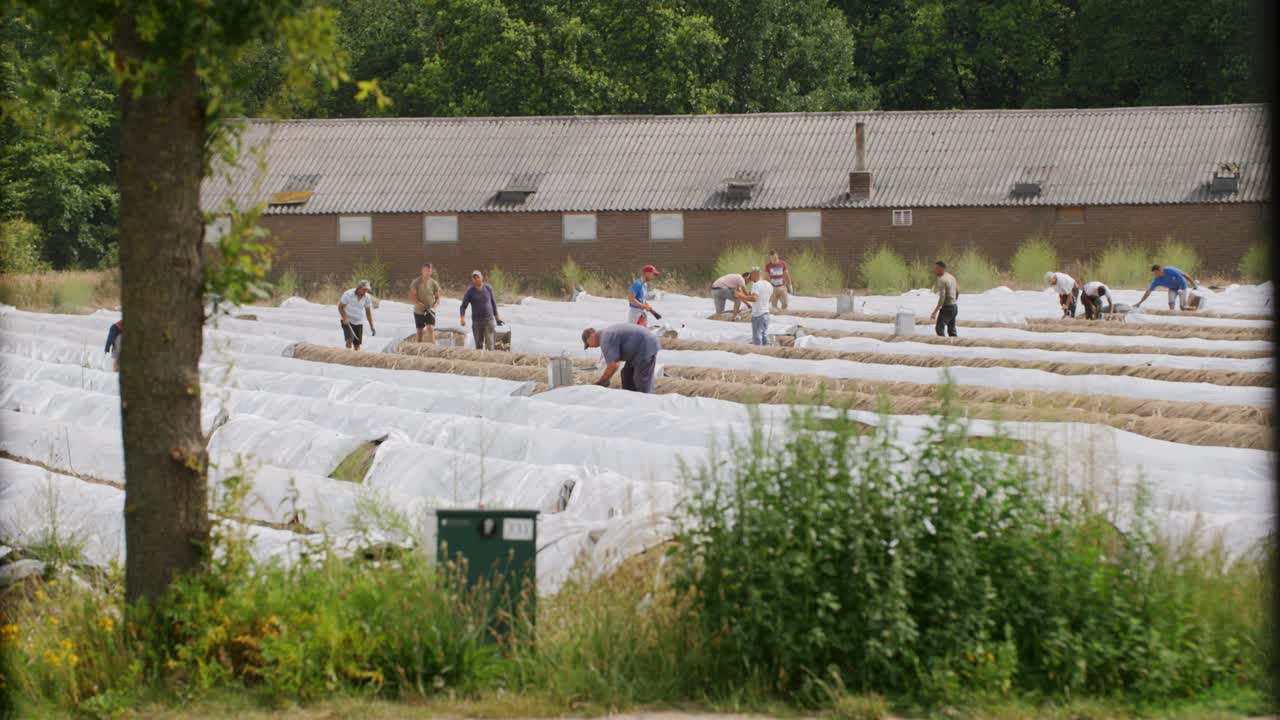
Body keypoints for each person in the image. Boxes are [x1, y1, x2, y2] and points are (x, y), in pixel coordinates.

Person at [582, 323, 661, 393]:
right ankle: (631, 399)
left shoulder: (605, 338)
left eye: (588, 344)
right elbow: (616, 361)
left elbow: (613, 365)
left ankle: (646, 402)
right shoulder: (607, 334)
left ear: (591, 336)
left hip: (645, 347)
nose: (590, 347)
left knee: (641, 381)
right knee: (626, 375)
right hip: (637, 350)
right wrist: (606, 380)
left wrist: (601, 382)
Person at [459, 269, 502, 350]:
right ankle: (480, 361)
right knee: (478, 345)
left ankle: (489, 361)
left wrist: (498, 319)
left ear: (482, 278)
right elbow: (463, 306)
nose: (476, 279)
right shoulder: (470, 292)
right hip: (477, 322)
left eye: (478, 277)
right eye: (474, 278)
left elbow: (493, 304)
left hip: (488, 321)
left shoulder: (488, 288)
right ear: (472, 279)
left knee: (490, 344)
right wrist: (462, 319)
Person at [736, 267, 773, 345]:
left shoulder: (756, 285)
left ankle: (758, 354)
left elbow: (754, 298)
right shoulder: (768, 284)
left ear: (756, 274)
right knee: (764, 336)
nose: (750, 278)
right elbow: (766, 298)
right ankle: (767, 352)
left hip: (758, 315)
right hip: (766, 314)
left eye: (751, 275)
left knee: (757, 338)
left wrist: (741, 296)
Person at [409, 262, 442, 343]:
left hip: (429, 310)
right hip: (419, 310)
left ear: (431, 272)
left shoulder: (434, 283)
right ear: (422, 271)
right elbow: (412, 297)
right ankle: (419, 349)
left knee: (430, 328)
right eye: (426, 270)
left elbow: (438, 298)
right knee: (420, 332)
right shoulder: (416, 282)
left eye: (429, 271)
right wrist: (419, 304)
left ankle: (433, 347)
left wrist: (434, 306)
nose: (427, 272)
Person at [338, 280, 376, 350]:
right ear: (359, 288)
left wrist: (372, 326)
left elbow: (368, 312)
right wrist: (345, 318)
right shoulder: (348, 294)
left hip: (358, 322)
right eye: (364, 290)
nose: (365, 292)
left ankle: (356, 358)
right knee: (349, 339)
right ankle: (348, 356)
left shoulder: (367, 297)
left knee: (357, 344)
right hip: (347, 320)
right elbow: (340, 307)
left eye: (367, 290)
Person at [929, 260, 959, 337]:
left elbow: (942, 298)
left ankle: (943, 344)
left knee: (939, 328)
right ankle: (954, 346)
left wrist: (934, 312)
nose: (934, 270)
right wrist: (954, 302)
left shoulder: (942, 279)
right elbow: (957, 291)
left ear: (941, 269)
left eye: (936, 268)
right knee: (952, 330)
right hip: (954, 307)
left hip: (947, 307)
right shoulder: (951, 277)